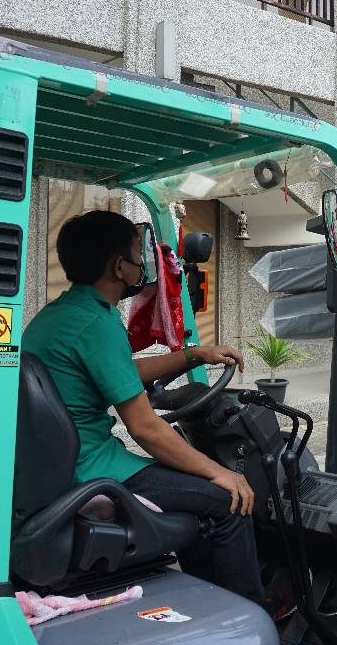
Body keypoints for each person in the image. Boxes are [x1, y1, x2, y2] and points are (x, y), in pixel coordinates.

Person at [22, 210, 267, 606]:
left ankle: (204, 599)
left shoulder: (62, 316)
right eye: (139, 255)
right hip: (92, 471)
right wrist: (220, 472)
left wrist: (194, 355)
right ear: (119, 267)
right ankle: (250, 615)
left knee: (196, 487)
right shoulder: (97, 324)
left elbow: (121, 370)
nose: (143, 265)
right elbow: (146, 428)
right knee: (229, 501)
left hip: (61, 467)